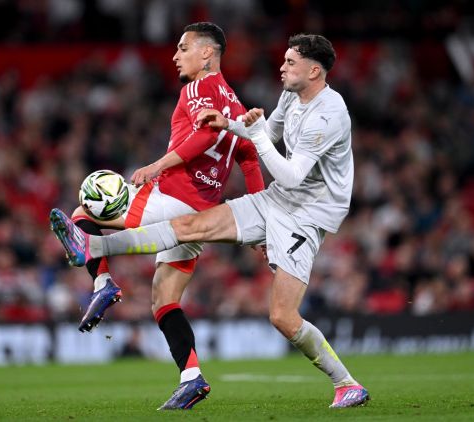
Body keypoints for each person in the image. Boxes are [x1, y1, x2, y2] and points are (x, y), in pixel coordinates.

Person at [50, 33, 369, 408]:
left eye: (290, 63)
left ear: (314, 70)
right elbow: (264, 136)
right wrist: (229, 124)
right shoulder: (290, 96)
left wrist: (242, 135)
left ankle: (346, 383)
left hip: (306, 214)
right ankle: (94, 247)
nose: (281, 67)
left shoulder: (330, 114)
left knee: (283, 317)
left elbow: (291, 173)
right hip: (275, 200)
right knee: (191, 228)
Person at [61, 22, 264, 410]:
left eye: (183, 48)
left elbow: (204, 137)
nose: (175, 55)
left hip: (172, 196)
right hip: (200, 217)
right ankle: (192, 378)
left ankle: (102, 281)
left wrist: (157, 164)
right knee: (164, 300)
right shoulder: (235, 105)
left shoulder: (197, 88)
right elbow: (249, 157)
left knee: (82, 213)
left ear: (207, 53)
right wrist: (259, 217)